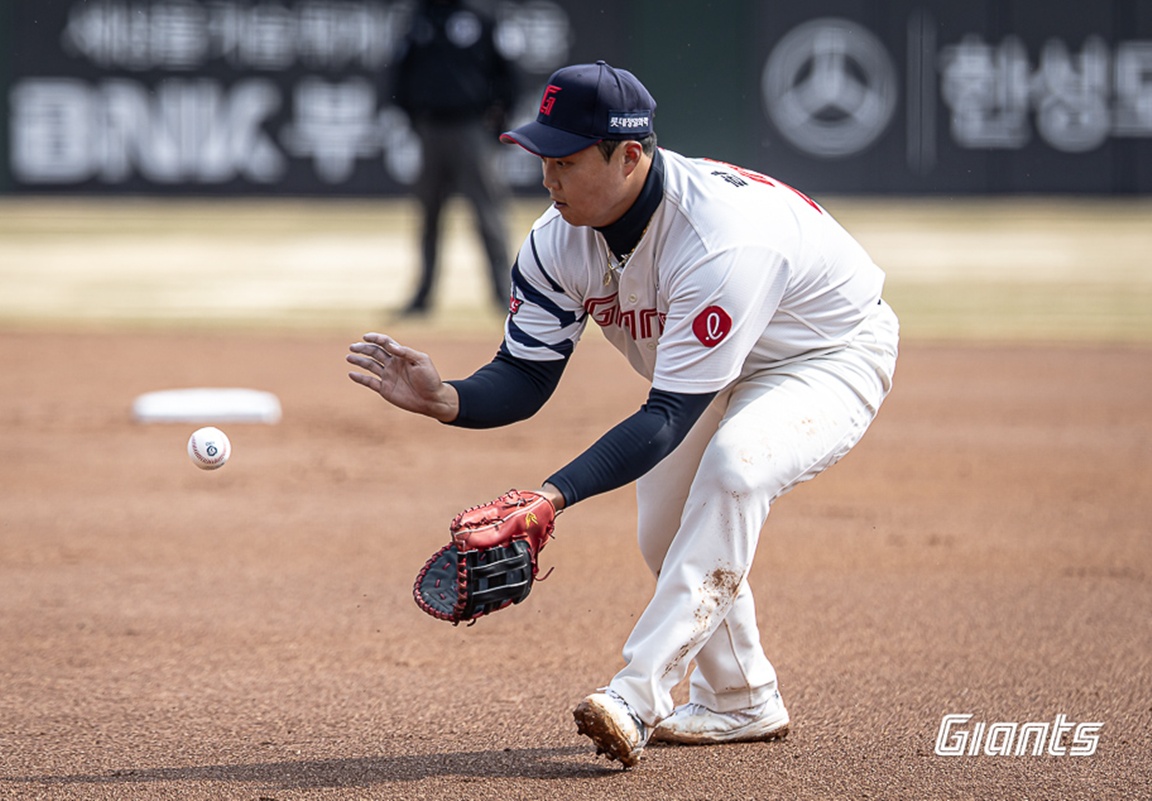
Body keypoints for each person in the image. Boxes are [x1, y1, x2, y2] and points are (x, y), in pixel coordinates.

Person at [348, 61, 899, 767]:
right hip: (707, 370)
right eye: (543, 158)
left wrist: (551, 496)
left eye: (567, 161)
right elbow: (526, 374)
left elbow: (665, 416)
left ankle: (637, 695)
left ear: (630, 156)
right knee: (663, 529)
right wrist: (447, 398)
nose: (549, 178)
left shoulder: (719, 238)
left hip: (823, 353)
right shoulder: (558, 239)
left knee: (736, 469)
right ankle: (741, 699)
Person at [388, 0, 518, 317]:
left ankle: (505, 293)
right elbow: (400, 72)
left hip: (471, 127)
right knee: (429, 214)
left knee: (488, 214)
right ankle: (423, 295)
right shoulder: (419, 17)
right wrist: (412, 116)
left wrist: (498, 123)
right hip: (431, 127)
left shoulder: (480, 17)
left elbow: (507, 74)